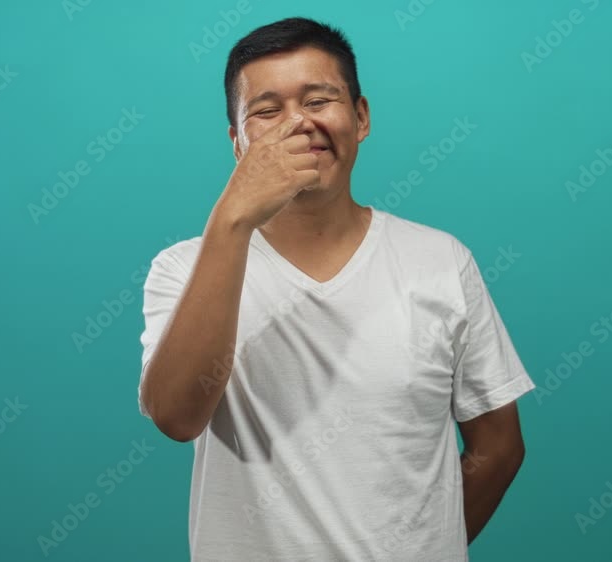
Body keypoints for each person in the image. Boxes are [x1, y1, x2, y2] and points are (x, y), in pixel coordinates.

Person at [137, 16, 535, 561]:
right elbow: (176, 417)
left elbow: (499, 448)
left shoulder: (441, 262)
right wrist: (232, 219)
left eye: (318, 100)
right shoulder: (183, 268)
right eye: (266, 111)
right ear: (237, 142)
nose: (298, 123)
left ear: (361, 116)